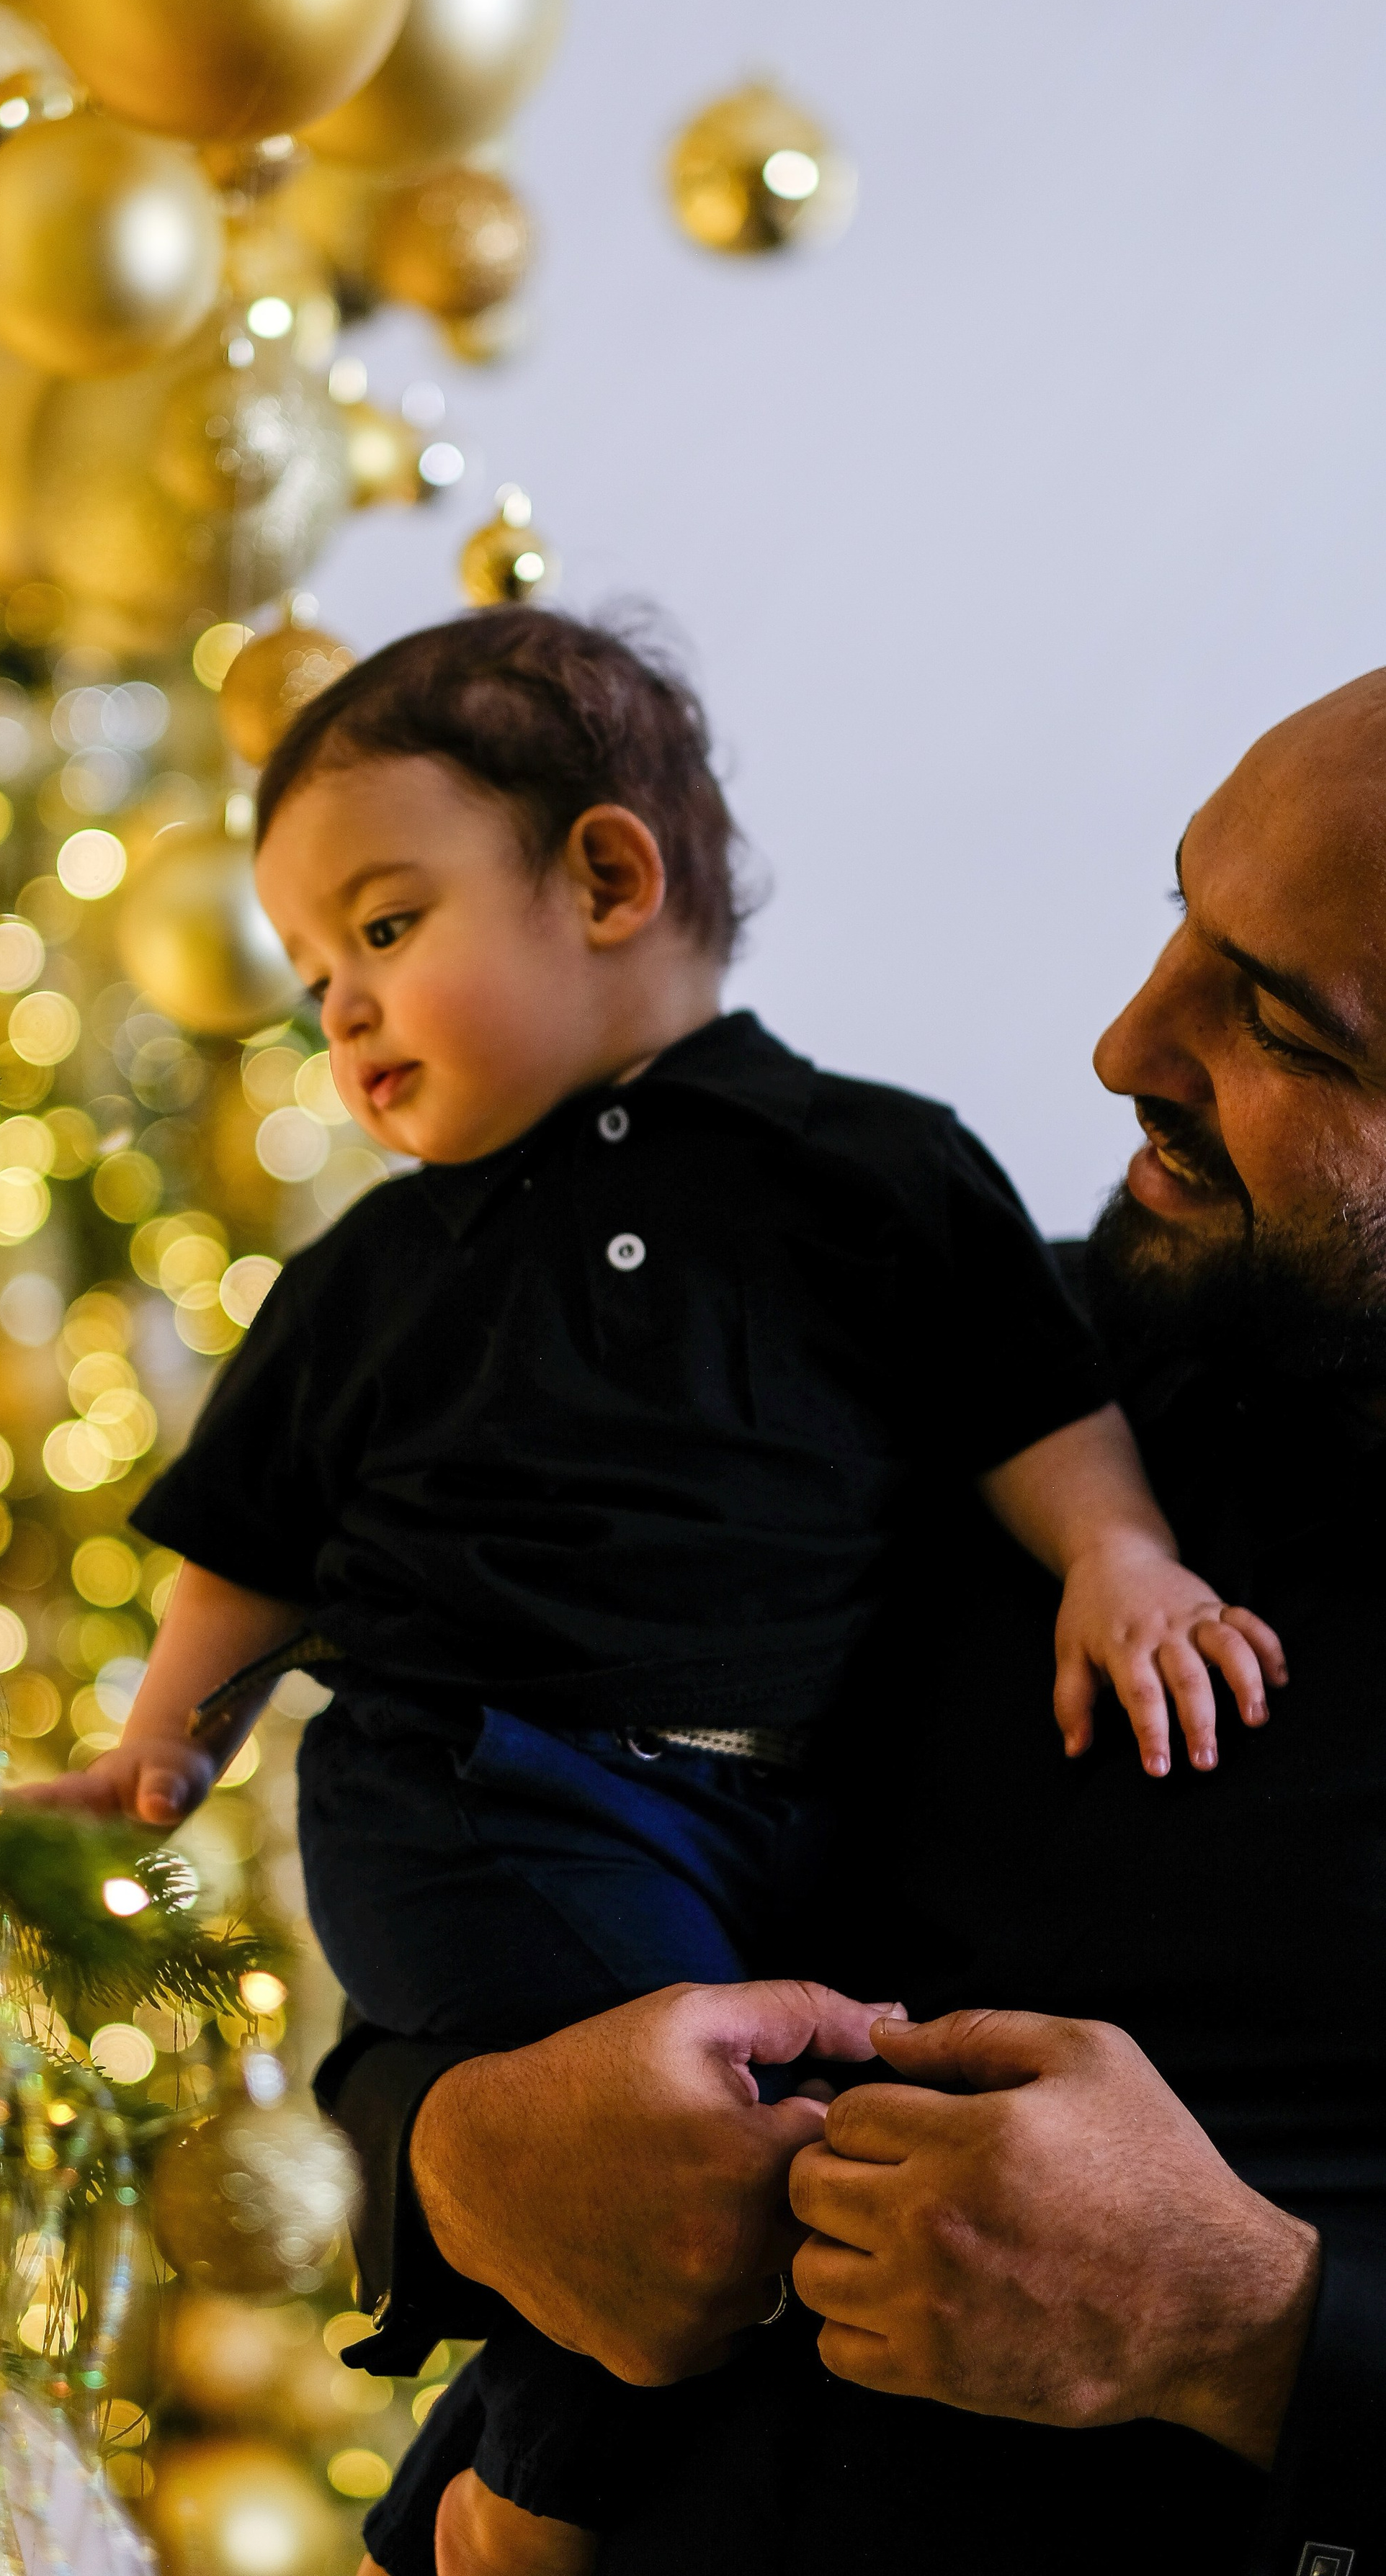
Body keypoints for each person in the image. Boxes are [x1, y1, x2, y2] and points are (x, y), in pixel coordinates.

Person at [22, 608, 1282, 2575]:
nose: (338, 1013)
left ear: (607, 877)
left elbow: (1024, 1403)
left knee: (759, 2126)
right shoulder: (385, 1268)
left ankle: (532, 2474)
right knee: (673, 2134)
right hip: (473, 1776)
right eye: (308, 974)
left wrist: (1120, 1558)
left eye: (380, 926)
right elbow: (253, 1545)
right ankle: (529, 2495)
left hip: (774, 1803)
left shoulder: (875, 1172)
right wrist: (162, 1745)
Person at [318, 665, 1386, 2576]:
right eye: (1179, 928)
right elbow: (486, 1786)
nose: (1123, 1041)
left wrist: (1246, 2329)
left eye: (1284, 1028)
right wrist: (456, 2152)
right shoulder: (976, 1376)